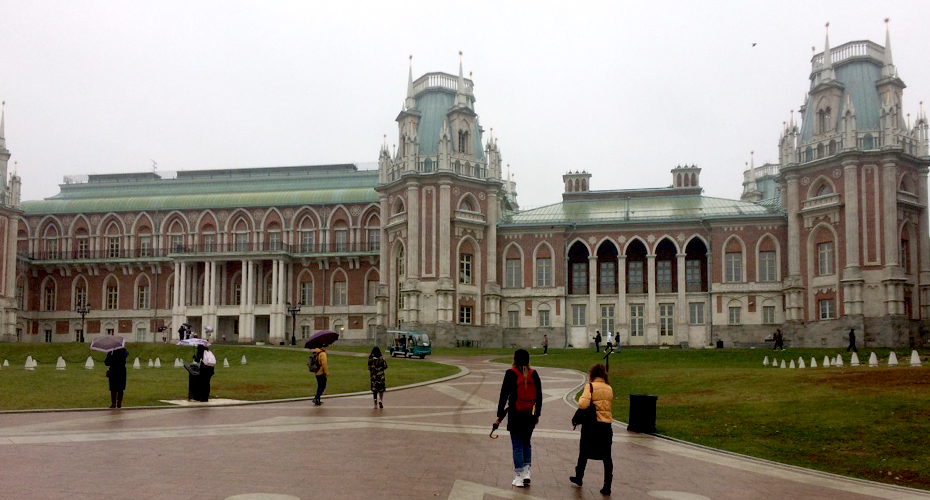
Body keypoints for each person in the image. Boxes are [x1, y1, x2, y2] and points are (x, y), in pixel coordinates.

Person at [494, 349, 542, 488]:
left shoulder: (510, 373)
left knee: (517, 445)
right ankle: (527, 473)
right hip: (530, 415)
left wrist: (499, 415)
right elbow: (539, 396)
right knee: (527, 443)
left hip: (515, 415)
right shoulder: (534, 374)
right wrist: (537, 414)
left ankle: (519, 476)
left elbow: (504, 395)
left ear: (514, 359)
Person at [570, 363, 614, 496]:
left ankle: (579, 476)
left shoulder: (590, 386)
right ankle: (607, 485)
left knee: (584, 451)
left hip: (592, 425)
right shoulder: (609, 388)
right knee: (607, 457)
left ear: (592, 374)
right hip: (606, 425)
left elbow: (582, 404)